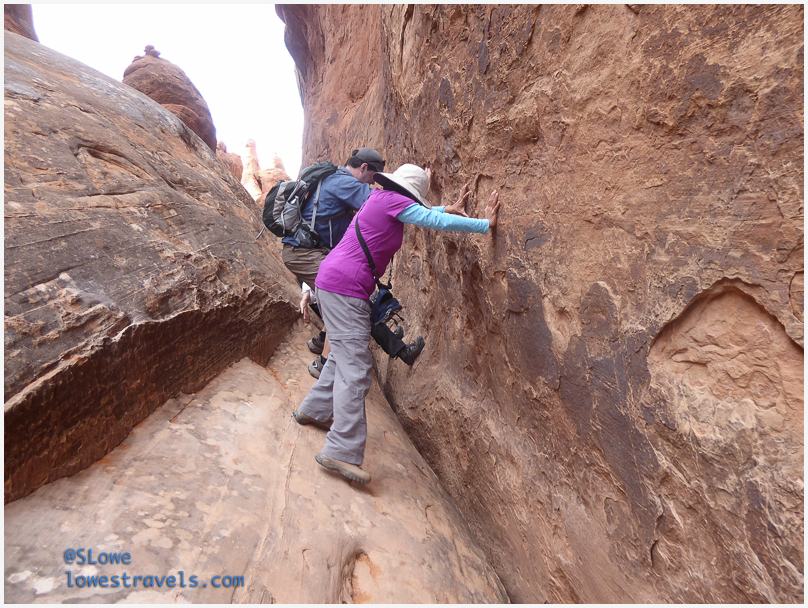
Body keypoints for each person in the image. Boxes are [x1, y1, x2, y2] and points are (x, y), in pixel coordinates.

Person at [292, 163, 501, 484]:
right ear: (410, 193)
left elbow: (421, 212)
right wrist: (484, 224)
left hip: (334, 281)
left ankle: (315, 409)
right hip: (346, 287)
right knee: (356, 369)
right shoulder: (393, 202)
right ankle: (341, 450)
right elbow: (431, 220)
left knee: (342, 355)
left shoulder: (381, 199)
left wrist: (447, 207)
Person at [281, 148, 423, 377]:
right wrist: (416, 192)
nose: (374, 183)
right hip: (306, 253)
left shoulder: (333, 177)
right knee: (351, 300)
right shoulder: (344, 182)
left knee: (346, 300)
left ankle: (320, 341)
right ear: (364, 168)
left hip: (306, 252)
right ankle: (326, 363)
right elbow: (387, 204)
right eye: (373, 177)